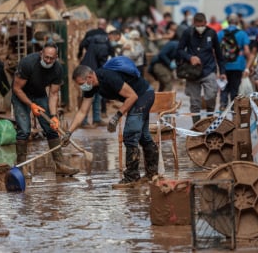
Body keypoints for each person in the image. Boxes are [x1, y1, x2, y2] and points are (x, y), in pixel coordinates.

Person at [67, 63, 158, 187]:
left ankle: (132, 177)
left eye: (81, 83)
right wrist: (69, 132)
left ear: (89, 77)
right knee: (143, 136)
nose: (81, 87)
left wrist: (116, 117)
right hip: (137, 98)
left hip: (143, 95)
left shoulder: (108, 77)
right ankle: (152, 174)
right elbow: (82, 112)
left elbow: (132, 96)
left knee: (130, 134)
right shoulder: (92, 86)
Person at [12, 41, 79, 177]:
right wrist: (31, 105)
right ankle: (21, 168)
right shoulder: (28, 63)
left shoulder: (58, 69)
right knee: (24, 130)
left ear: (56, 58)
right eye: (46, 57)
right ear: (41, 53)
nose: (48, 61)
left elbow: (53, 94)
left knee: (51, 128)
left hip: (39, 94)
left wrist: (53, 115)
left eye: (51, 58)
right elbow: (16, 88)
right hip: (21, 95)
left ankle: (60, 165)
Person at [177, 12, 227, 124]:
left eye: (202, 25)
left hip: (209, 70)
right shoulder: (187, 33)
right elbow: (179, 50)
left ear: (206, 23)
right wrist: (190, 57)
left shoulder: (212, 33)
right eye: (197, 26)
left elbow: (219, 54)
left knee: (211, 96)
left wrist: (222, 71)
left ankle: (210, 121)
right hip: (192, 72)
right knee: (195, 102)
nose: (200, 28)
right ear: (194, 24)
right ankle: (197, 126)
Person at [78, 18, 114, 128]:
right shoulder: (104, 41)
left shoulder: (90, 37)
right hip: (91, 72)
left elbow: (81, 45)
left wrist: (79, 55)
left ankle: (96, 119)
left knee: (95, 95)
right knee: (89, 96)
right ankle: (84, 121)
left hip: (88, 68)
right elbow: (105, 57)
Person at [217, 13, 252, 110]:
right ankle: (234, 110)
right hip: (238, 65)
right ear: (237, 22)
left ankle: (223, 106)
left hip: (224, 65)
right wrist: (249, 65)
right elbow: (247, 51)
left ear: (227, 22)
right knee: (235, 89)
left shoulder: (220, 33)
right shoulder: (242, 34)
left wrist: (218, 66)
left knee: (224, 87)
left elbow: (215, 51)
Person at [148, 21, 179, 91]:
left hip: (163, 65)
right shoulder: (173, 44)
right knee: (168, 83)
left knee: (163, 84)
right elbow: (162, 54)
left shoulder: (176, 46)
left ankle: (159, 100)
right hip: (158, 64)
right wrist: (169, 63)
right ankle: (165, 101)